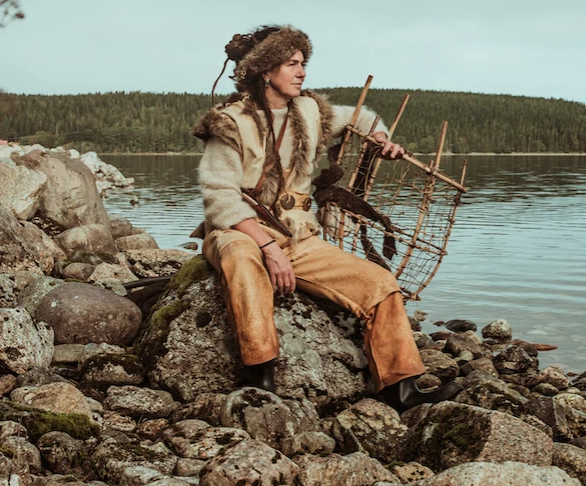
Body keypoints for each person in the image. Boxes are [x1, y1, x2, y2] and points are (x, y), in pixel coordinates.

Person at [193, 25, 459, 411]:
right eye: (291, 64)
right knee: (242, 260)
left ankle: (401, 389)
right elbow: (219, 197)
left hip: (298, 233)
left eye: (303, 63)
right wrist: (267, 246)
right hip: (239, 230)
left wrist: (382, 139)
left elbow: (363, 119)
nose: (301, 72)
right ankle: (260, 375)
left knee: (379, 282)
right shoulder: (230, 122)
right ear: (266, 70)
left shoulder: (310, 111)